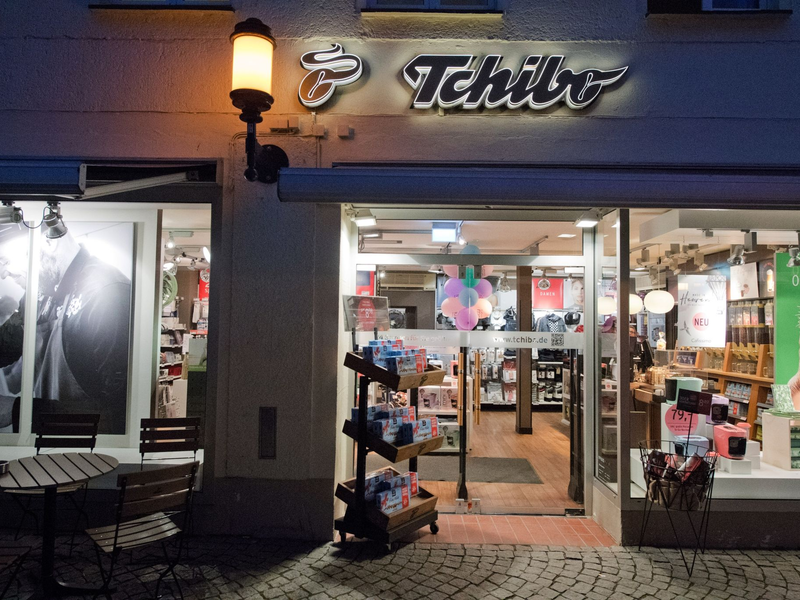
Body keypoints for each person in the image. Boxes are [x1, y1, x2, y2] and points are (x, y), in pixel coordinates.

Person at [0, 228, 132, 434]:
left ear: (49, 242)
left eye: (6, 261)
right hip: (42, 442)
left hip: (86, 452)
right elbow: (5, 345)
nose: (3, 274)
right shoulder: (39, 292)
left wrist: (20, 410)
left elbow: (118, 407)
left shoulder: (106, 293)